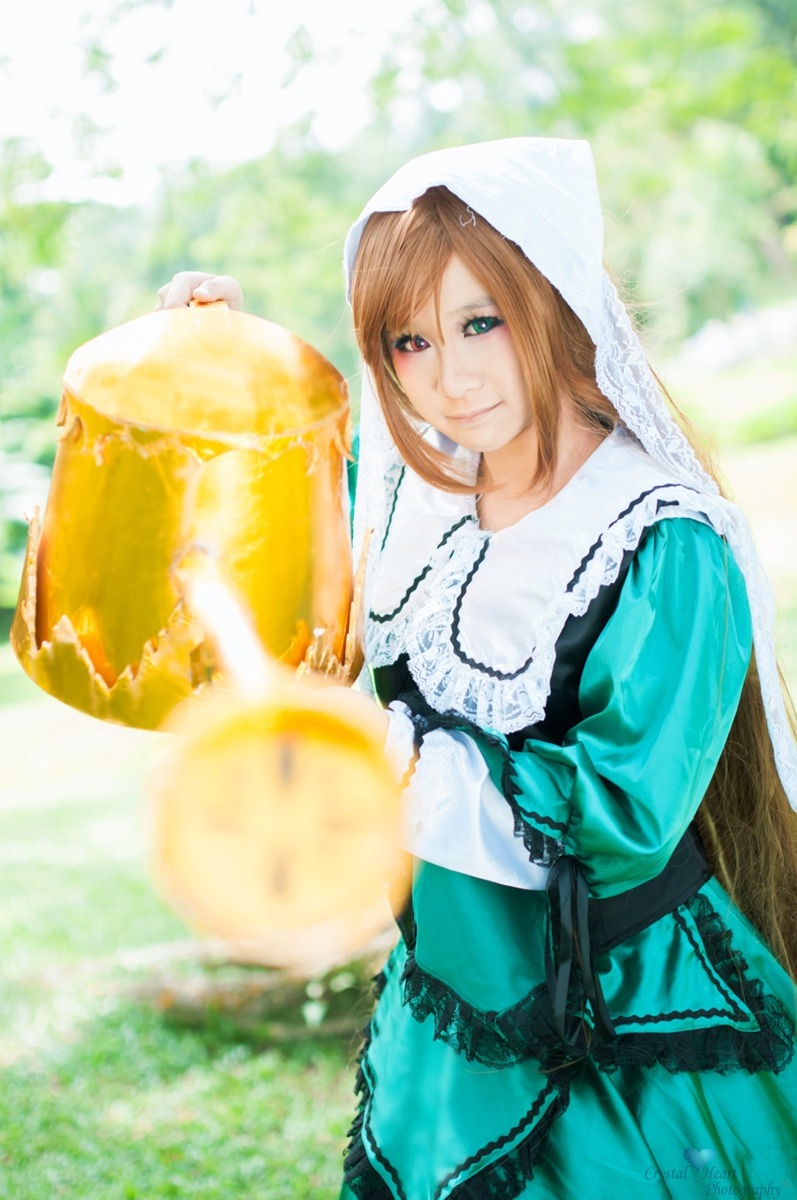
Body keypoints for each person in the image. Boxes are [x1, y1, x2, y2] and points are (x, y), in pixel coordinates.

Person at [158, 138, 797, 1199]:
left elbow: (623, 817)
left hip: (619, 1013)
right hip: (449, 989)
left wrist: (387, 762)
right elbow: (291, 516)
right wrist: (222, 357)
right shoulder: (425, 501)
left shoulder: (660, 540)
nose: (446, 380)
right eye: (407, 342)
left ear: (552, 301)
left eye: (479, 323)